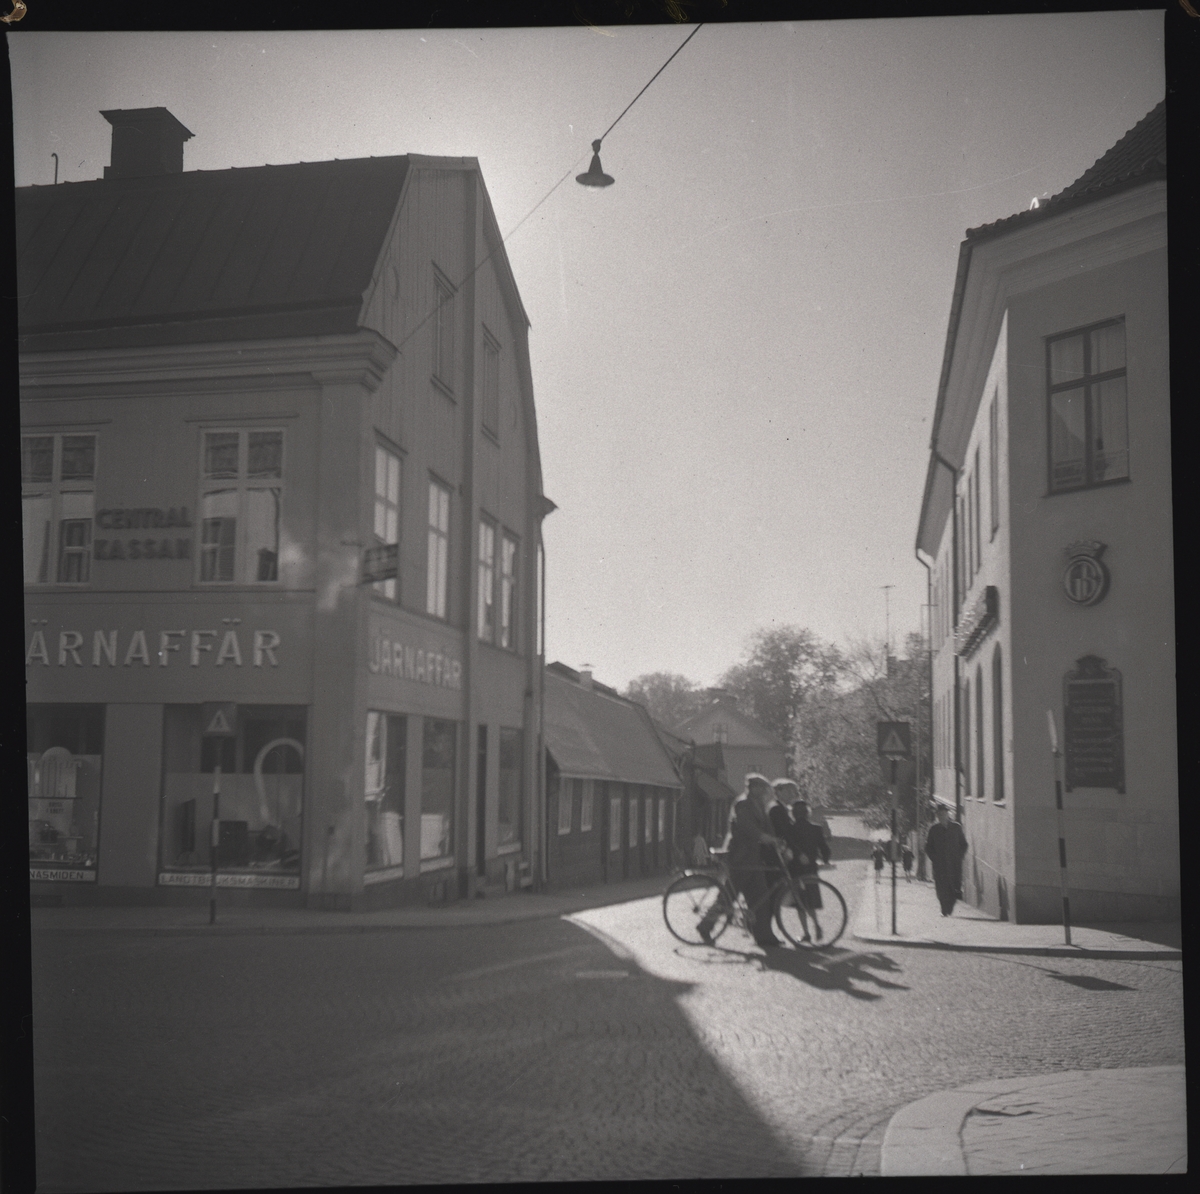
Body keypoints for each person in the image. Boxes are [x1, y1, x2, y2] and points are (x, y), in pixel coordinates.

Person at [699, 773, 786, 949]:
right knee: (728, 898)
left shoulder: (760, 805)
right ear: (752, 788)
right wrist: (764, 837)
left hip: (754, 859)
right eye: (760, 788)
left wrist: (778, 840)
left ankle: (764, 936)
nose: (763, 792)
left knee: (761, 898)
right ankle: (705, 926)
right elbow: (748, 827)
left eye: (764, 789)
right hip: (740, 858)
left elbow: (767, 826)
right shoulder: (743, 804)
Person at [925, 803, 968, 916]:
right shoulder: (934, 830)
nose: (941, 816)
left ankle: (949, 908)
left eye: (943, 814)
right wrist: (935, 858)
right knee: (941, 888)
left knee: (953, 887)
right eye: (939, 815)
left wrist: (959, 856)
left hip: (954, 865)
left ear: (947, 814)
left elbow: (964, 844)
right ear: (937, 816)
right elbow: (928, 847)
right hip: (940, 866)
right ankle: (944, 909)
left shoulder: (956, 827)